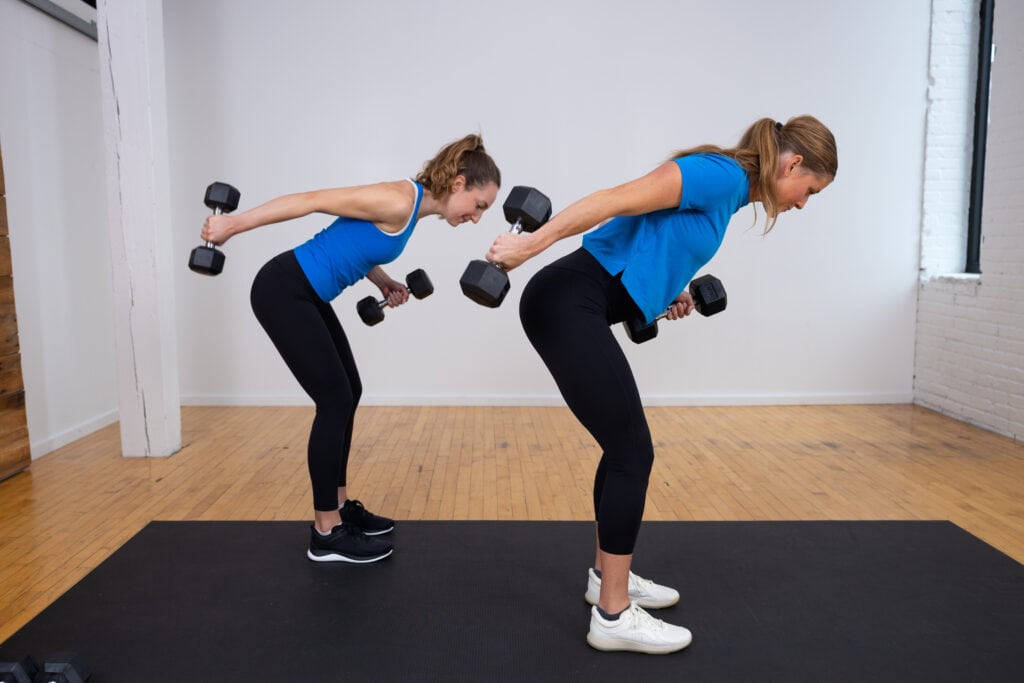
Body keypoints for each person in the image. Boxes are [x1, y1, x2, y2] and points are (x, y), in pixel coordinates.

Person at [485, 116, 837, 653]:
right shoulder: (718, 175)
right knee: (634, 452)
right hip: (564, 300)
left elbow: (642, 250)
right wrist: (529, 245)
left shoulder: (732, 193)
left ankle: (607, 580)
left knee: (621, 447)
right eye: (808, 190)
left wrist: (666, 296)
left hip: (579, 303)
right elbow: (615, 200)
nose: (802, 204)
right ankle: (613, 617)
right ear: (791, 165)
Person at [201, 134, 501, 563]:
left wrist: (383, 281)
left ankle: (340, 507)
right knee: (334, 399)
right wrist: (233, 224)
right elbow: (311, 200)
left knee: (349, 391)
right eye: (480, 205)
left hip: (306, 294)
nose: (477, 218)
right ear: (457, 184)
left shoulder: (411, 211)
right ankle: (326, 531)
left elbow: (355, 245)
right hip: (284, 290)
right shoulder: (399, 199)